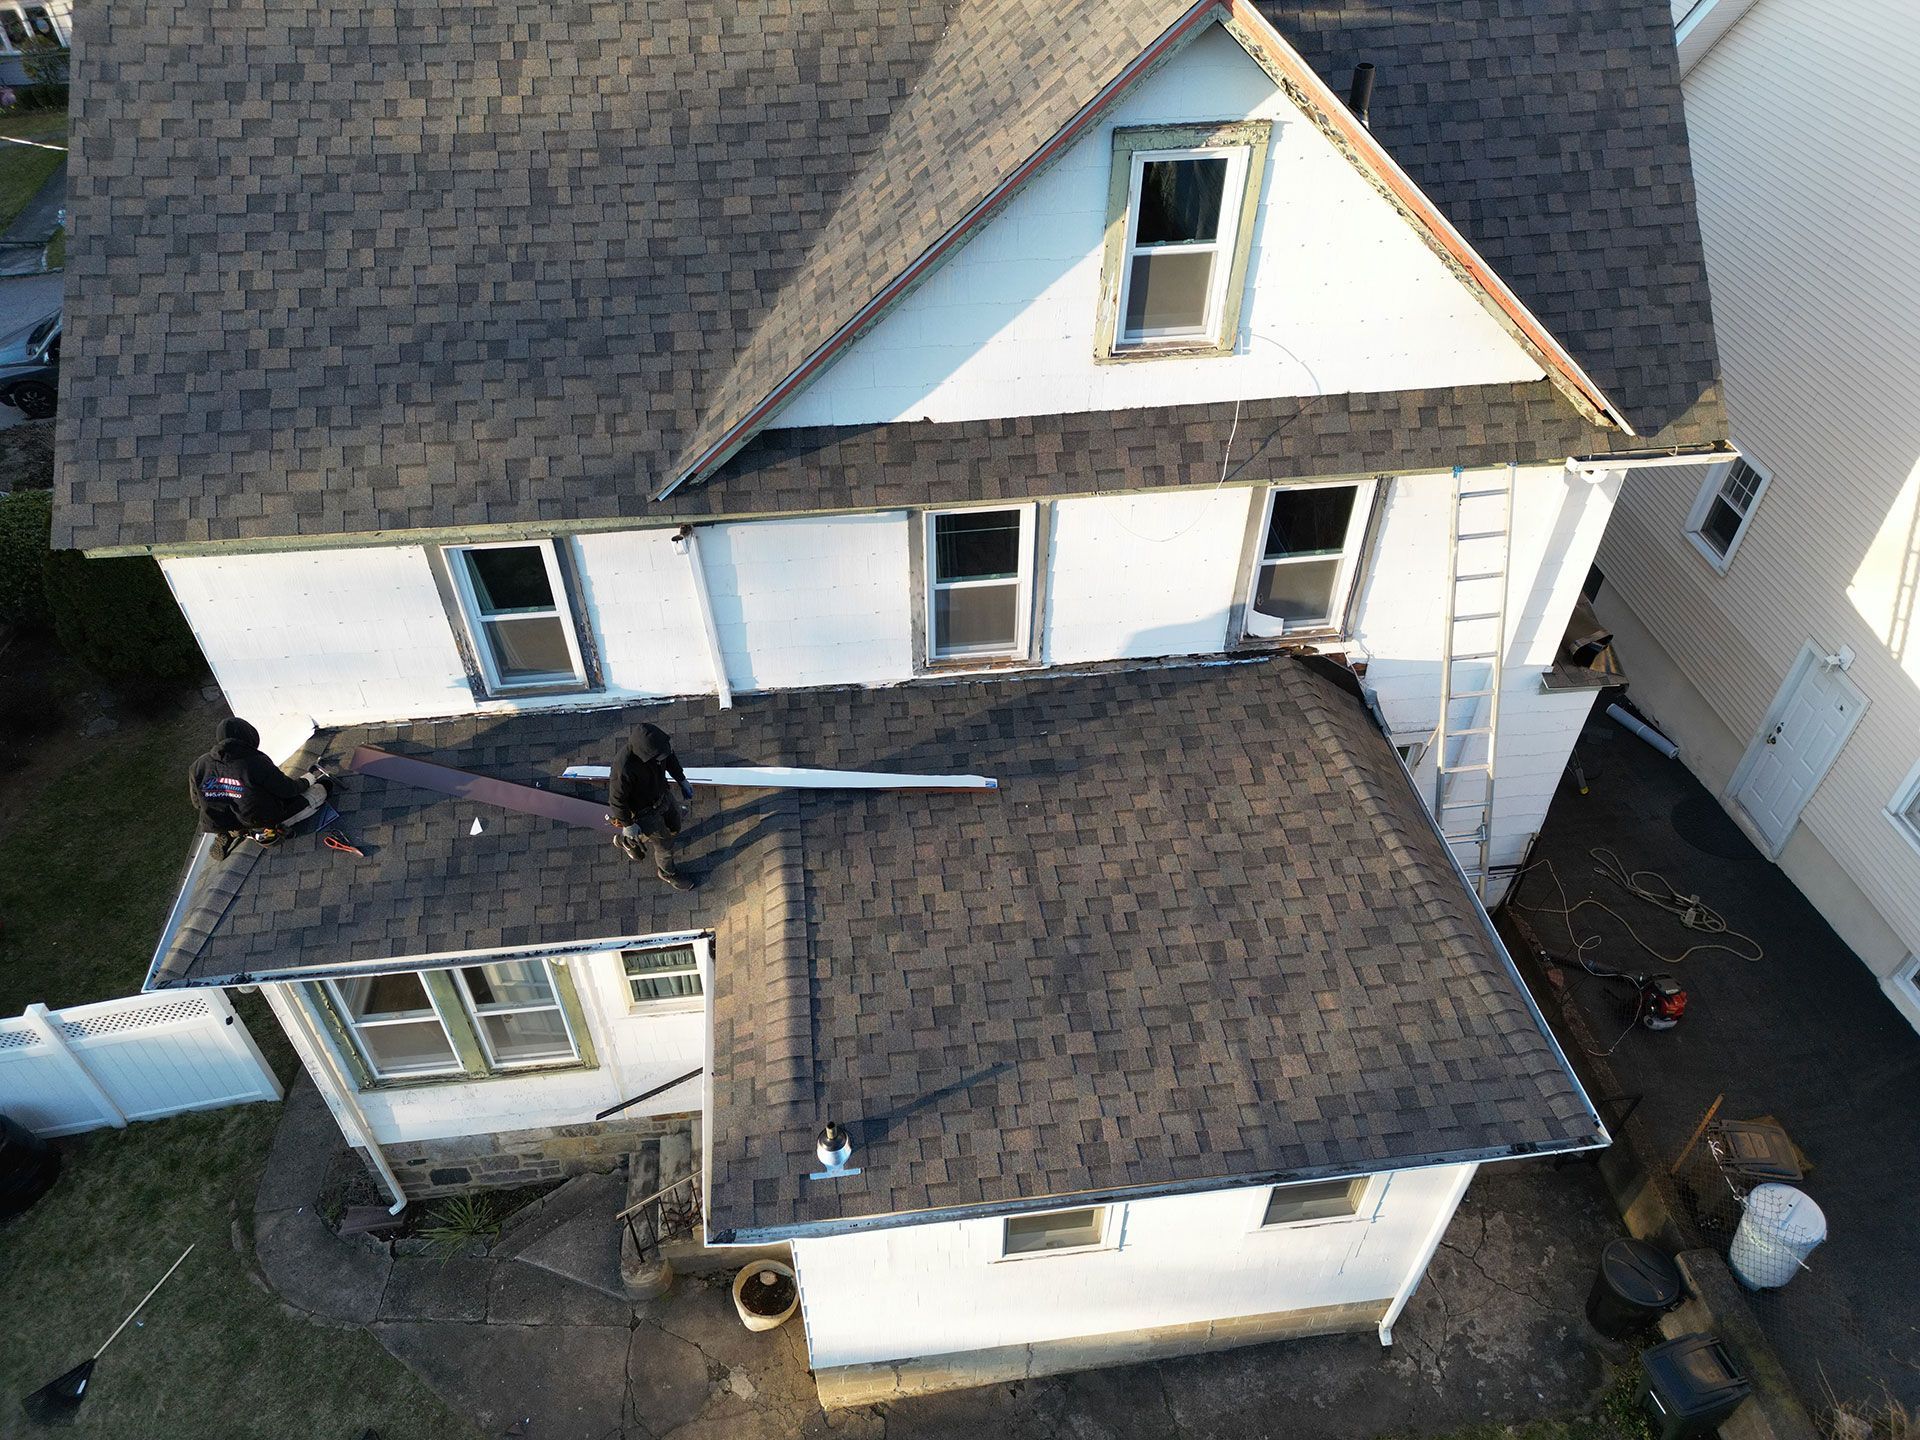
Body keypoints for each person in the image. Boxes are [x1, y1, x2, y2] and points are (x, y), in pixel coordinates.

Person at [188, 717, 328, 844]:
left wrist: (228, 795)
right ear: (249, 736)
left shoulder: (198, 765)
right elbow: (288, 790)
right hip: (258, 820)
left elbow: (197, 803)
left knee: (236, 816)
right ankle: (265, 832)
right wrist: (307, 780)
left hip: (221, 822)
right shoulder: (255, 762)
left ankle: (233, 832)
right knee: (321, 790)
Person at [608, 722, 696, 890]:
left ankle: (629, 840)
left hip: (662, 795)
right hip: (645, 812)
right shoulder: (623, 768)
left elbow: (670, 758)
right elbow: (616, 800)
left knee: (675, 823)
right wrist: (628, 825)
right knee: (665, 846)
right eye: (660, 756)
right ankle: (667, 873)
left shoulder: (658, 748)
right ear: (647, 753)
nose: (663, 757)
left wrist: (682, 779)